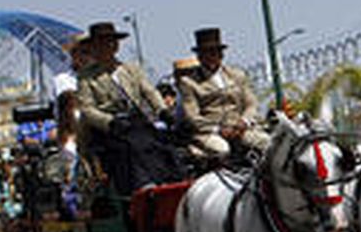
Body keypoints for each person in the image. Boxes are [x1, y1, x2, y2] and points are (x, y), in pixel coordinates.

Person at [73, 21, 181, 194]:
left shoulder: (131, 69)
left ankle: (173, 180)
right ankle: (142, 186)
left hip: (136, 121)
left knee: (163, 142)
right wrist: (110, 122)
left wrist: (163, 111)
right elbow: (87, 110)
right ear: (94, 47)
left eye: (112, 41)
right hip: (109, 130)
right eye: (103, 43)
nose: (109, 46)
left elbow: (149, 91)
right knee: (130, 146)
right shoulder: (86, 77)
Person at [177, 27, 271, 164]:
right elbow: (192, 117)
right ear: (199, 57)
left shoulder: (237, 75)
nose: (212, 56)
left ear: (222, 54)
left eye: (215, 52)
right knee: (222, 149)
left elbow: (251, 103)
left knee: (267, 142)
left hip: (239, 129)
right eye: (207, 53)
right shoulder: (189, 83)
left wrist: (244, 122)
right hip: (210, 132)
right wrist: (219, 129)